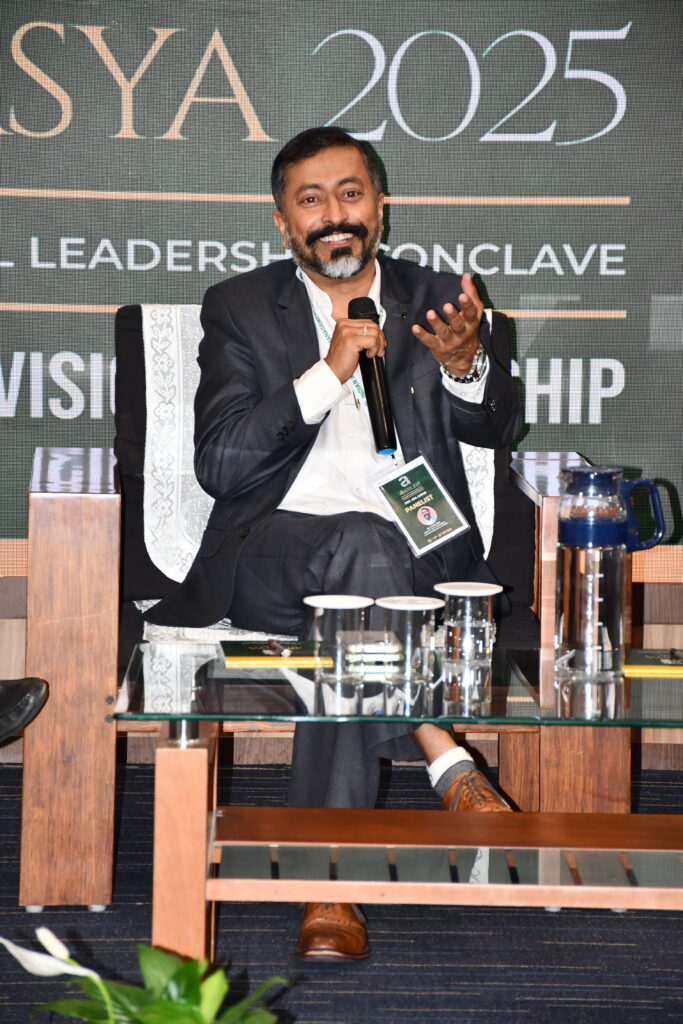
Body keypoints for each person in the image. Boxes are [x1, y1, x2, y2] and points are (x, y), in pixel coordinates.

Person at [147, 126, 522, 959]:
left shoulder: (439, 297)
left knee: (364, 572)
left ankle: (328, 883)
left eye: (350, 193)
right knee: (360, 542)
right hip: (273, 552)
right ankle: (440, 749)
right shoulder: (241, 306)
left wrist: (466, 366)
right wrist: (325, 374)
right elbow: (221, 464)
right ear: (282, 223)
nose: (333, 215)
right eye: (309, 200)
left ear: (379, 204)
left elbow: (497, 428)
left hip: (420, 553)